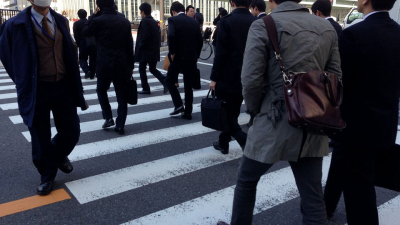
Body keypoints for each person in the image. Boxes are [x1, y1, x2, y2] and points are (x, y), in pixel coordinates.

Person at [217, 0, 342, 224]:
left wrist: (255, 109)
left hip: (274, 114)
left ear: (272, 1)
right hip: (313, 119)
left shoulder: (265, 25)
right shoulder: (326, 27)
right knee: (313, 196)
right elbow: (335, 77)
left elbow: (251, 79)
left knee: (247, 179)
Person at [0, 0, 88, 195]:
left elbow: (69, 50)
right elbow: (6, 54)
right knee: (40, 135)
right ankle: (47, 176)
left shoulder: (61, 20)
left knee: (72, 130)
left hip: (62, 84)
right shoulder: (15, 25)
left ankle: (56, 156)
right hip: (36, 88)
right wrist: (22, 79)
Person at [325, 0, 400, 224]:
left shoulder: (353, 34)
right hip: (385, 120)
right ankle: (325, 205)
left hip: (355, 124)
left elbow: (338, 81)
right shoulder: (397, 32)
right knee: (344, 163)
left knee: (359, 190)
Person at [209, 0, 255, 155]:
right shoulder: (257, 22)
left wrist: (214, 77)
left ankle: (245, 141)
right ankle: (223, 143)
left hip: (228, 75)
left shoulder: (226, 21)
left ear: (232, 2)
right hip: (250, 75)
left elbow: (220, 54)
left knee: (227, 114)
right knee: (233, 110)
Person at [83, 0, 134, 135]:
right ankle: (120, 124)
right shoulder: (124, 21)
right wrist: (131, 65)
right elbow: (129, 45)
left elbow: (86, 31)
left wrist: (94, 15)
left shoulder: (98, 20)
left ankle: (108, 117)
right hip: (122, 62)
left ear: (99, 6)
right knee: (122, 95)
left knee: (101, 89)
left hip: (104, 61)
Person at [166, 1, 203, 120]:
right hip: (191, 57)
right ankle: (188, 112)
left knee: (169, 80)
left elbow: (171, 36)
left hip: (178, 57)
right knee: (188, 85)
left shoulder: (173, 20)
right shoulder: (194, 22)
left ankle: (178, 105)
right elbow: (200, 41)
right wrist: (196, 54)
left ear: (173, 11)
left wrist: (172, 52)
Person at [135, 3, 167, 95]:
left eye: (141, 12)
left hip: (145, 51)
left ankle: (146, 88)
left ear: (143, 12)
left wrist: (140, 47)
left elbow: (145, 36)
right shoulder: (153, 21)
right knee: (153, 69)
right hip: (153, 50)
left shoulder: (145, 21)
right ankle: (165, 81)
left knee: (142, 68)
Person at [73, 9, 97, 79]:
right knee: (92, 59)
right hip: (92, 43)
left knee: (82, 58)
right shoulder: (90, 22)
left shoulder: (76, 24)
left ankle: (87, 70)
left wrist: (78, 43)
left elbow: (76, 35)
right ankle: (92, 73)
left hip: (82, 43)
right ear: (86, 15)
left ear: (78, 15)